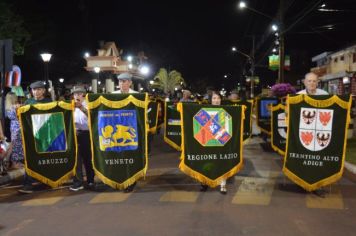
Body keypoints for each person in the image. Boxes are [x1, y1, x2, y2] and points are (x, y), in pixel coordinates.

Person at [18, 81, 52, 194]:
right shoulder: (28, 102)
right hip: (31, 135)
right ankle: (27, 184)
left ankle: (46, 181)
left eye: (38, 89)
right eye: (34, 90)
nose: (35, 92)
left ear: (43, 91)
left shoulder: (49, 102)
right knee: (30, 159)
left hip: (45, 136)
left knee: (45, 159)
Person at [111, 72, 138, 192]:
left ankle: (131, 181)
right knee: (118, 157)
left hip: (131, 132)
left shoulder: (137, 96)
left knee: (131, 157)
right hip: (117, 130)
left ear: (130, 83)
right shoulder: (112, 95)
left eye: (125, 81)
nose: (122, 83)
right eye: (120, 81)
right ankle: (119, 180)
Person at [200, 91, 228, 194]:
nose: (216, 100)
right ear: (211, 100)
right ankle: (204, 182)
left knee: (221, 162)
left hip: (221, 141)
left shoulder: (226, 111)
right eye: (214, 98)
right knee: (206, 162)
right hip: (208, 141)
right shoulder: (204, 112)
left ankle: (223, 184)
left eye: (218, 98)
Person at [69, 86, 95, 191]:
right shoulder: (70, 106)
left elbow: (92, 116)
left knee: (87, 159)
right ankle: (78, 182)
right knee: (76, 160)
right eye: (75, 94)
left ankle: (90, 180)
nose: (77, 96)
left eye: (79, 94)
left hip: (86, 134)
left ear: (84, 95)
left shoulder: (88, 104)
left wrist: (81, 108)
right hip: (75, 134)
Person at [5, 92, 24, 169]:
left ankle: (16, 162)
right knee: (17, 146)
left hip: (13, 126)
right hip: (18, 127)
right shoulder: (15, 107)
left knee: (15, 145)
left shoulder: (7, 108)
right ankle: (14, 163)